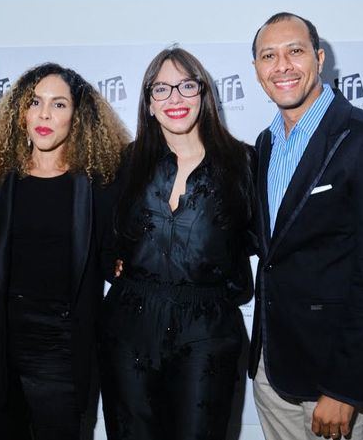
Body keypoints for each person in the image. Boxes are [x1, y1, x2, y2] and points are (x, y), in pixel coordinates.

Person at [249, 12, 363, 440]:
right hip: (273, 370)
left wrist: (344, 387)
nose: (281, 65)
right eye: (268, 55)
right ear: (257, 70)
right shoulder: (264, 144)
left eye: (294, 51)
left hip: (335, 379)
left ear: (319, 58)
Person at [100, 47, 255, 440]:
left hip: (208, 331)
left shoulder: (245, 164)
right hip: (128, 328)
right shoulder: (124, 162)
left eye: (187, 86)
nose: (175, 98)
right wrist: (109, 261)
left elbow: (267, 246)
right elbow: (101, 235)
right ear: (148, 103)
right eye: (161, 89)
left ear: (204, 96)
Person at [0, 63, 128, 440]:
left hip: (64, 348)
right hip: (0, 345)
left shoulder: (100, 186)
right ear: (19, 112)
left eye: (59, 104)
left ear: (77, 116)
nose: (44, 114)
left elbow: (115, 260)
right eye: (34, 102)